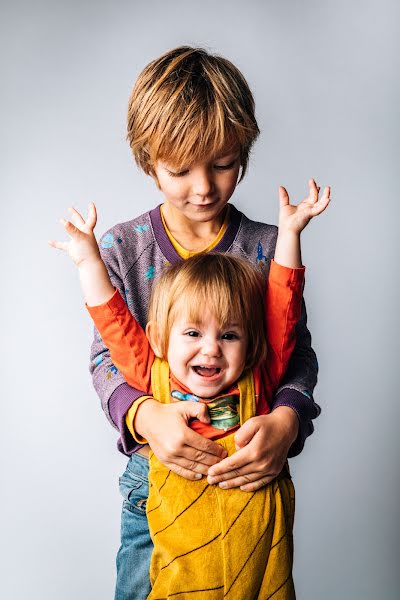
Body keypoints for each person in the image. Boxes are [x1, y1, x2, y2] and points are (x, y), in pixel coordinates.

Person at [51, 46, 327, 598]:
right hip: (155, 482)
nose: (203, 187)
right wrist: (146, 415)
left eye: (222, 164)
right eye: (180, 169)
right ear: (148, 161)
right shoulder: (124, 249)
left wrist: (288, 420)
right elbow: (109, 356)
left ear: (244, 152)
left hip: (248, 478)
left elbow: (293, 352)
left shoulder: (266, 249)